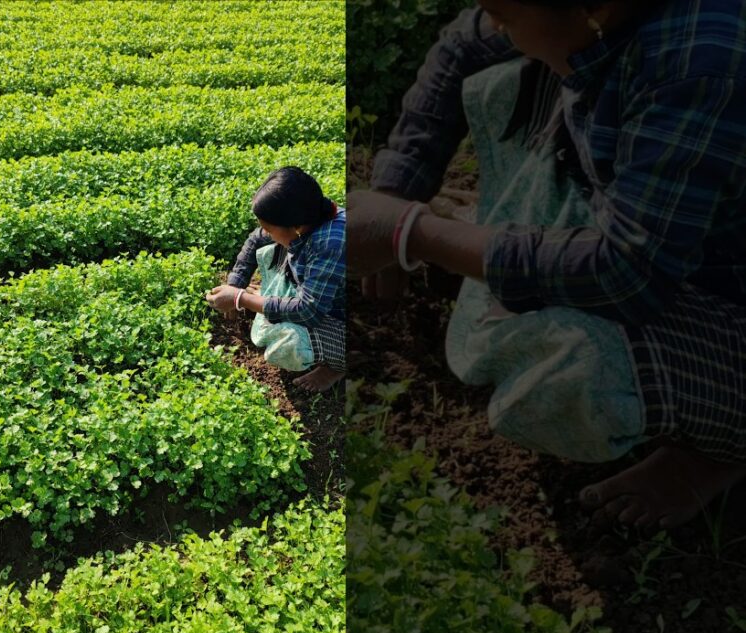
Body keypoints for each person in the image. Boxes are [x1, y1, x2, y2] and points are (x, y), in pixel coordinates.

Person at [351, 0, 746, 530]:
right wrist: (399, 187)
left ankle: (724, 449)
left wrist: (410, 233)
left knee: (567, 370)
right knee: (510, 77)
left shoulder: (702, 62)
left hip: (715, 292)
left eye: (505, 15)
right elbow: (462, 45)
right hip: (680, 244)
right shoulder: (603, 17)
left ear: (592, 12)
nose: (493, 24)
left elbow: (627, 273)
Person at [206, 166, 346, 392]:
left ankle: (339, 365)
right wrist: (235, 283)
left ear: (296, 226)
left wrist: (240, 298)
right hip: (329, 301)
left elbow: (308, 310)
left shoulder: (332, 243)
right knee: (272, 250)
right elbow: (255, 240)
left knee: (287, 344)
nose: (265, 233)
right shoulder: (309, 216)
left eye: (269, 228)